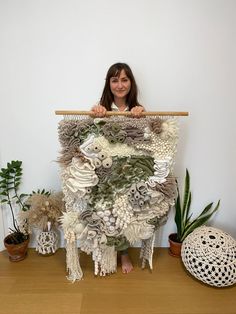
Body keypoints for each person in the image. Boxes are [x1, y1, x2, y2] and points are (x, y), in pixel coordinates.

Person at [91, 63, 145, 273]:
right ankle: (111, 251)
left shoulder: (138, 110)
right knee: (107, 212)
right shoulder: (100, 109)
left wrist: (141, 115)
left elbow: (145, 142)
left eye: (124, 79)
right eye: (115, 80)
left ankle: (124, 253)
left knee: (126, 212)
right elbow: (92, 139)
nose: (120, 85)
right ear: (109, 84)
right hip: (105, 170)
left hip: (130, 170)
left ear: (131, 83)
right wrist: (95, 115)